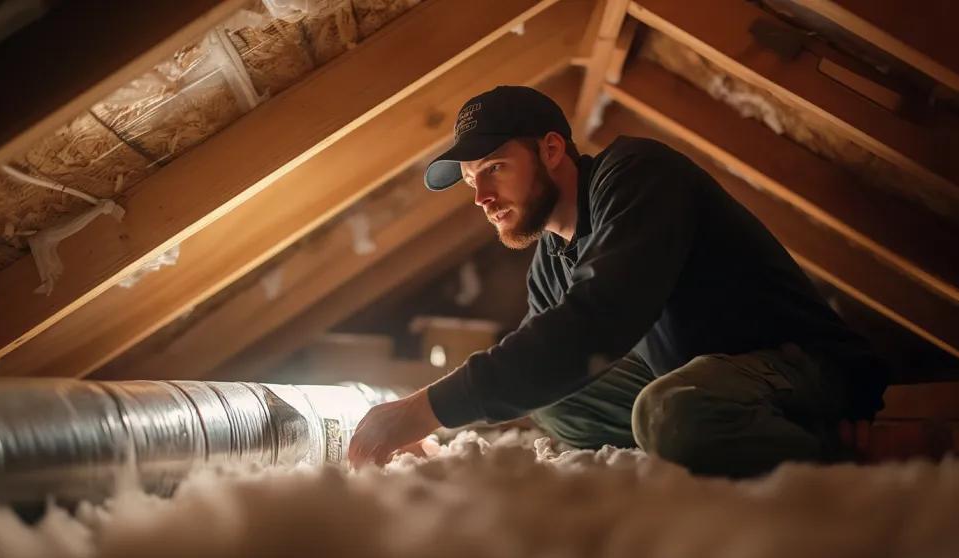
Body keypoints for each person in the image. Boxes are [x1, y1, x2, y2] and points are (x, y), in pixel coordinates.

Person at [347, 85, 887, 477]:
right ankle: (715, 444)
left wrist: (420, 409)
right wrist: (435, 426)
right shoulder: (550, 260)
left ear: (551, 150)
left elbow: (597, 323)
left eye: (494, 168)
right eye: (470, 180)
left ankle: (840, 451)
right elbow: (546, 358)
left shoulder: (637, 176)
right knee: (559, 402)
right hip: (705, 376)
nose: (481, 197)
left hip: (804, 366)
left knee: (673, 414)